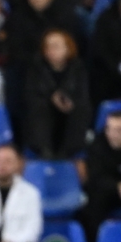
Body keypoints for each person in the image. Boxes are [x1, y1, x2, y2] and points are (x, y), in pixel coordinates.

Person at [23, 28, 92, 159]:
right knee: (38, 107)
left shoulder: (78, 67)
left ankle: (70, 152)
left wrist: (68, 100)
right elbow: (31, 95)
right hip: (45, 112)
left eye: (56, 46)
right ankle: (44, 150)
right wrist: (52, 98)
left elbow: (82, 94)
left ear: (68, 48)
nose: (51, 50)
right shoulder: (36, 67)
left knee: (82, 108)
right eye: (48, 46)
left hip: (68, 112)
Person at [84, 107, 121, 237]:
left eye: (120, 130)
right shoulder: (97, 145)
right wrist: (118, 187)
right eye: (110, 129)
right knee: (92, 205)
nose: (114, 135)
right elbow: (95, 177)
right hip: (110, 191)